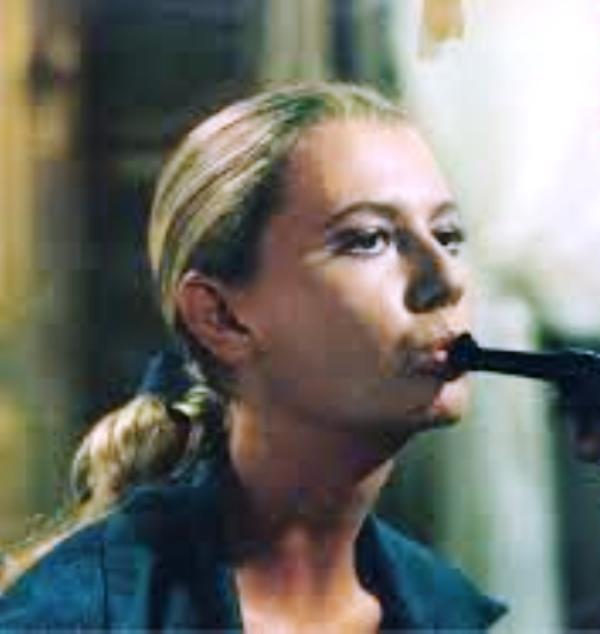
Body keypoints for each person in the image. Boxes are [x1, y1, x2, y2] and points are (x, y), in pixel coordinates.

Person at [0, 82, 506, 631]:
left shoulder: (448, 612)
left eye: (447, 235)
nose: (447, 279)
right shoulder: (74, 615)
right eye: (367, 240)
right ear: (220, 317)